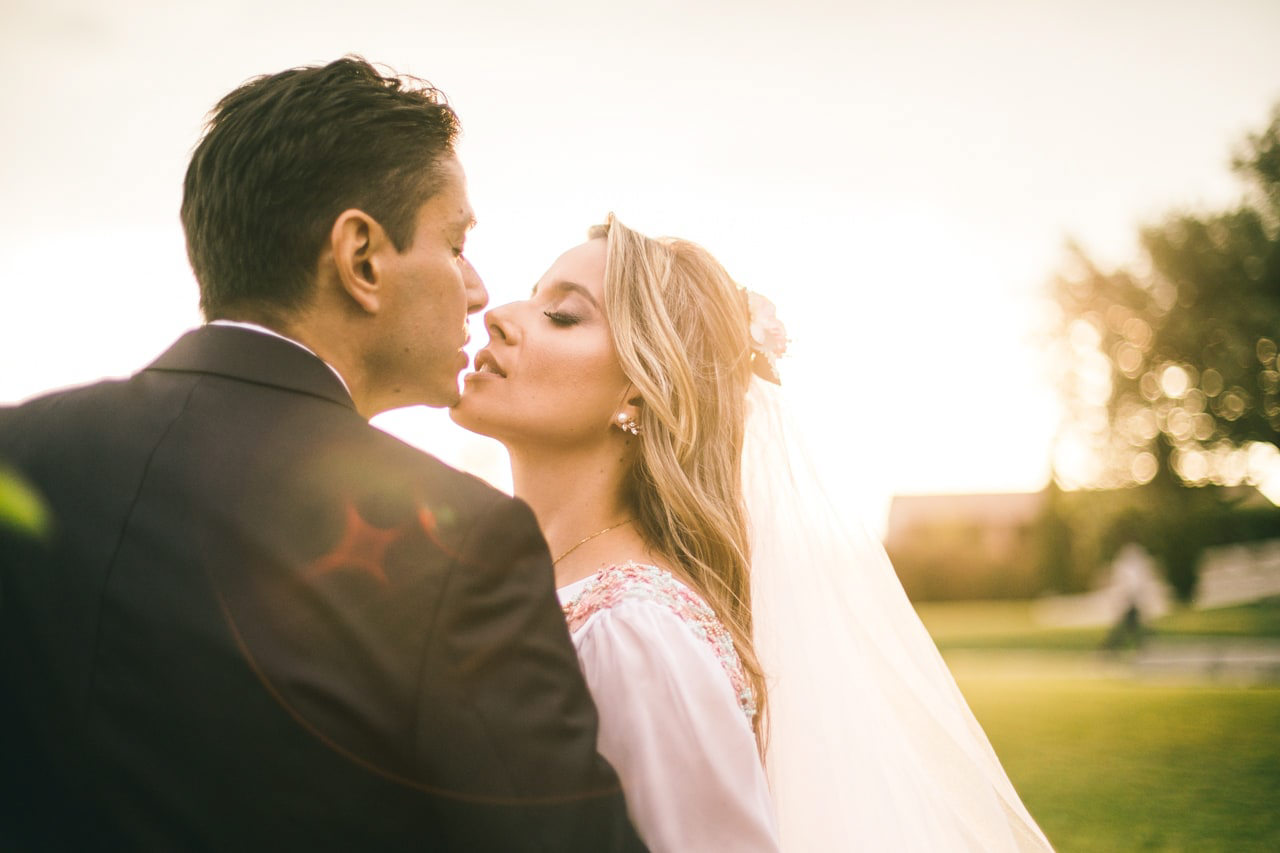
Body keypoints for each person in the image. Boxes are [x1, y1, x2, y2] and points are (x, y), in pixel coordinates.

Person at [0, 58, 644, 851]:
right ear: (362, 258)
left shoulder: (18, 452)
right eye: (455, 242)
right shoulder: (461, 544)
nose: (477, 291)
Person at [451, 214, 1055, 851]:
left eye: (563, 315)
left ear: (638, 388)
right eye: (534, 294)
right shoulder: (531, 589)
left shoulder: (638, 636)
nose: (499, 315)